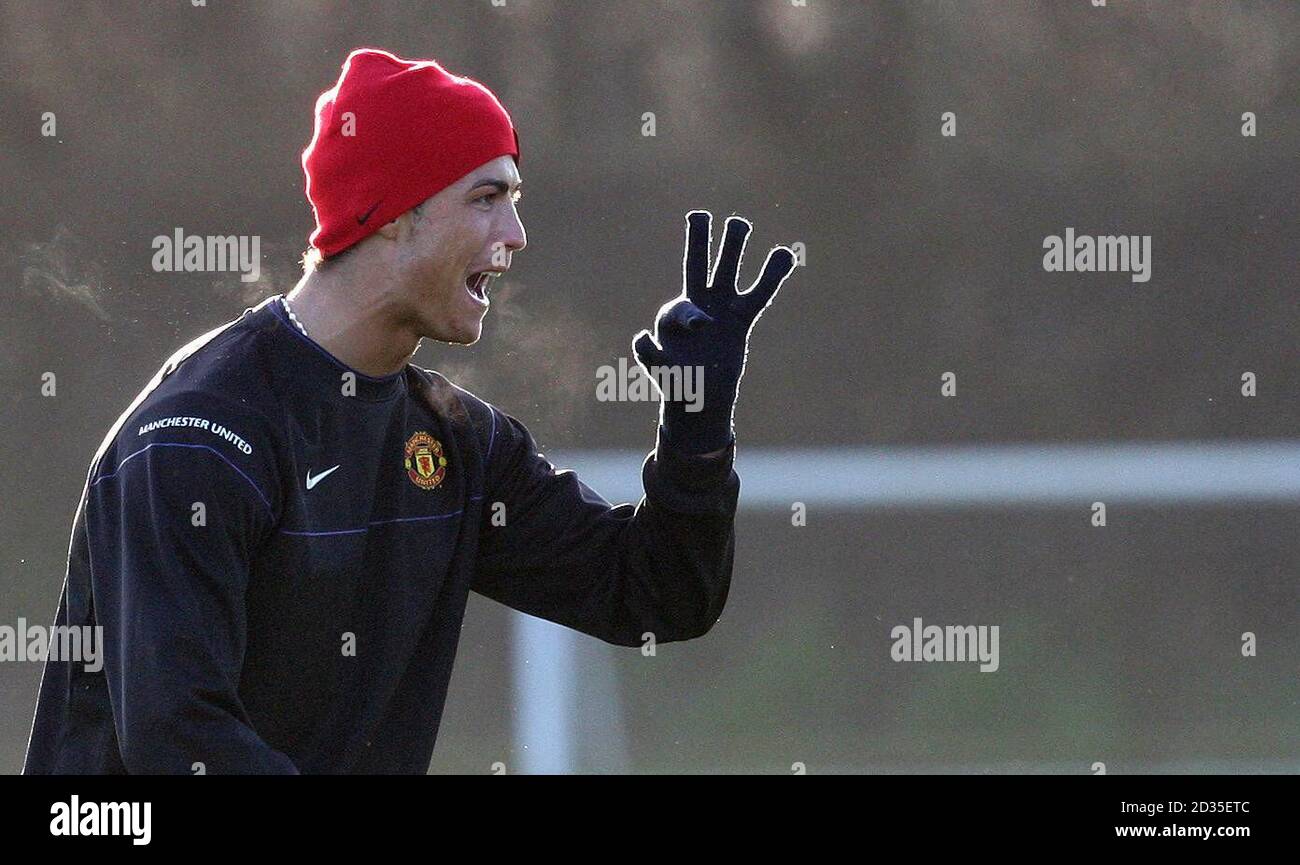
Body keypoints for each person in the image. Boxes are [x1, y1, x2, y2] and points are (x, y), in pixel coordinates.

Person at [24, 48, 796, 774]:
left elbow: (654, 596)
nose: (517, 235)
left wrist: (696, 429)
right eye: (487, 198)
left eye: (514, 200)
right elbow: (180, 738)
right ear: (391, 212)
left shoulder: (454, 441)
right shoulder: (198, 439)